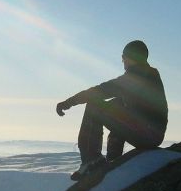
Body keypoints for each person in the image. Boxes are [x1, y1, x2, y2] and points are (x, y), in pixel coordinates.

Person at [56, 39, 168, 180]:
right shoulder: (148, 76)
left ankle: (92, 160)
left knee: (94, 105)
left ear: (132, 58)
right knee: (117, 105)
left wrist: (69, 102)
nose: (122, 61)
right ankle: (113, 161)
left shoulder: (136, 78)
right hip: (151, 133)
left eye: (123, 57)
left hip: (147, 133)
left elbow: (100, 90)